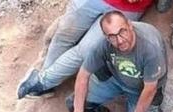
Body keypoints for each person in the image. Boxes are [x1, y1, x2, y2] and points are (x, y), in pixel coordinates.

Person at [66, 11, 167, 112]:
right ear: (106, 37)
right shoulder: (105, 45)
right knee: (74, 102)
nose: (119, 40)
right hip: (116, 79)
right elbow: (83, 75)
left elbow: (149, 90)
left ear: (130, 25)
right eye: (112, 36)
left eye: (122, 32)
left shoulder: (149, 48)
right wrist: (78, 109)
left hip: (142, 90)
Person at [17, 0, 154, 99]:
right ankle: (47, 82)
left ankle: (43, 82)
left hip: (127, 7)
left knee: (86, 51)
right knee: (64, 33)